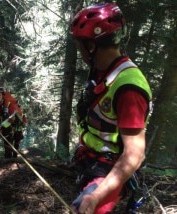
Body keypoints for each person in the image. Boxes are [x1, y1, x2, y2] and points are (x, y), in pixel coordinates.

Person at [70, 3, 152, 214]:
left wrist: (96, 196)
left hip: (112, 170)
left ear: (91, 46)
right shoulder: (102, 71)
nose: (79, 51)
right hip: (94, 161)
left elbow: (134, 155)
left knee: (83, 208)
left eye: (80, 45)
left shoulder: (128, 88)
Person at [0, 87, 24, 163]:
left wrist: (1, 126)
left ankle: (8, 161)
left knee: (8, 142)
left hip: (8, 126)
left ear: (3, 96)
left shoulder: (10, 106)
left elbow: (12, 119)